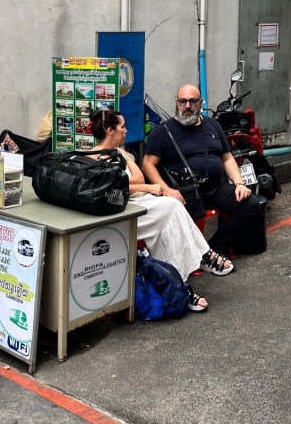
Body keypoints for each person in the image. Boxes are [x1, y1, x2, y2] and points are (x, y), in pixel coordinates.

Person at [90, 110, 236, 313]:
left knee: (169, 229)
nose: (126, 130)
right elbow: (113, 186)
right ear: (110, 130)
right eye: (122, 126)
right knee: (172, 207)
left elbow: (138, 178)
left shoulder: (121, 153)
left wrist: (134, 184)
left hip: (139, 202)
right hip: (122, 211)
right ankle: (203, 257)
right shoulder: (94, 157)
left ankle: (179, 284)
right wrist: (147, 187)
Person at [142, 83, 264, 257]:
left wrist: (239, 183)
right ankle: (203, 255)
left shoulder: (213, 125)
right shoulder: (162, 131)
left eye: (193, 101)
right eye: (183, 101)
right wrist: (165, 190)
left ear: (200, 103)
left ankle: (212, 250)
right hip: (184, 193)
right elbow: (148, 164)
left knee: (251, 205)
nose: (187, 106)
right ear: (176, 102)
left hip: (215, 188)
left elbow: (227, 157)